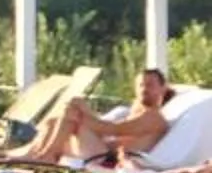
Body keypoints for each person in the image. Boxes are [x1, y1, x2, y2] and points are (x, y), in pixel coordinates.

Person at [17, 67, 172, 167]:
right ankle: (36, 154)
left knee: (73, 116)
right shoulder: (137, 110)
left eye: (150, 85)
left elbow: (114, 130)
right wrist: (81, 111)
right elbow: (108, 131)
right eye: (141, 85)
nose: (144, 89)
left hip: (105, 157)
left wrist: (81, 117)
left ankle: (47, 155)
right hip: (101, 148)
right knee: (56, 119)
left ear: (162, 88)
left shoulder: (153, 117)